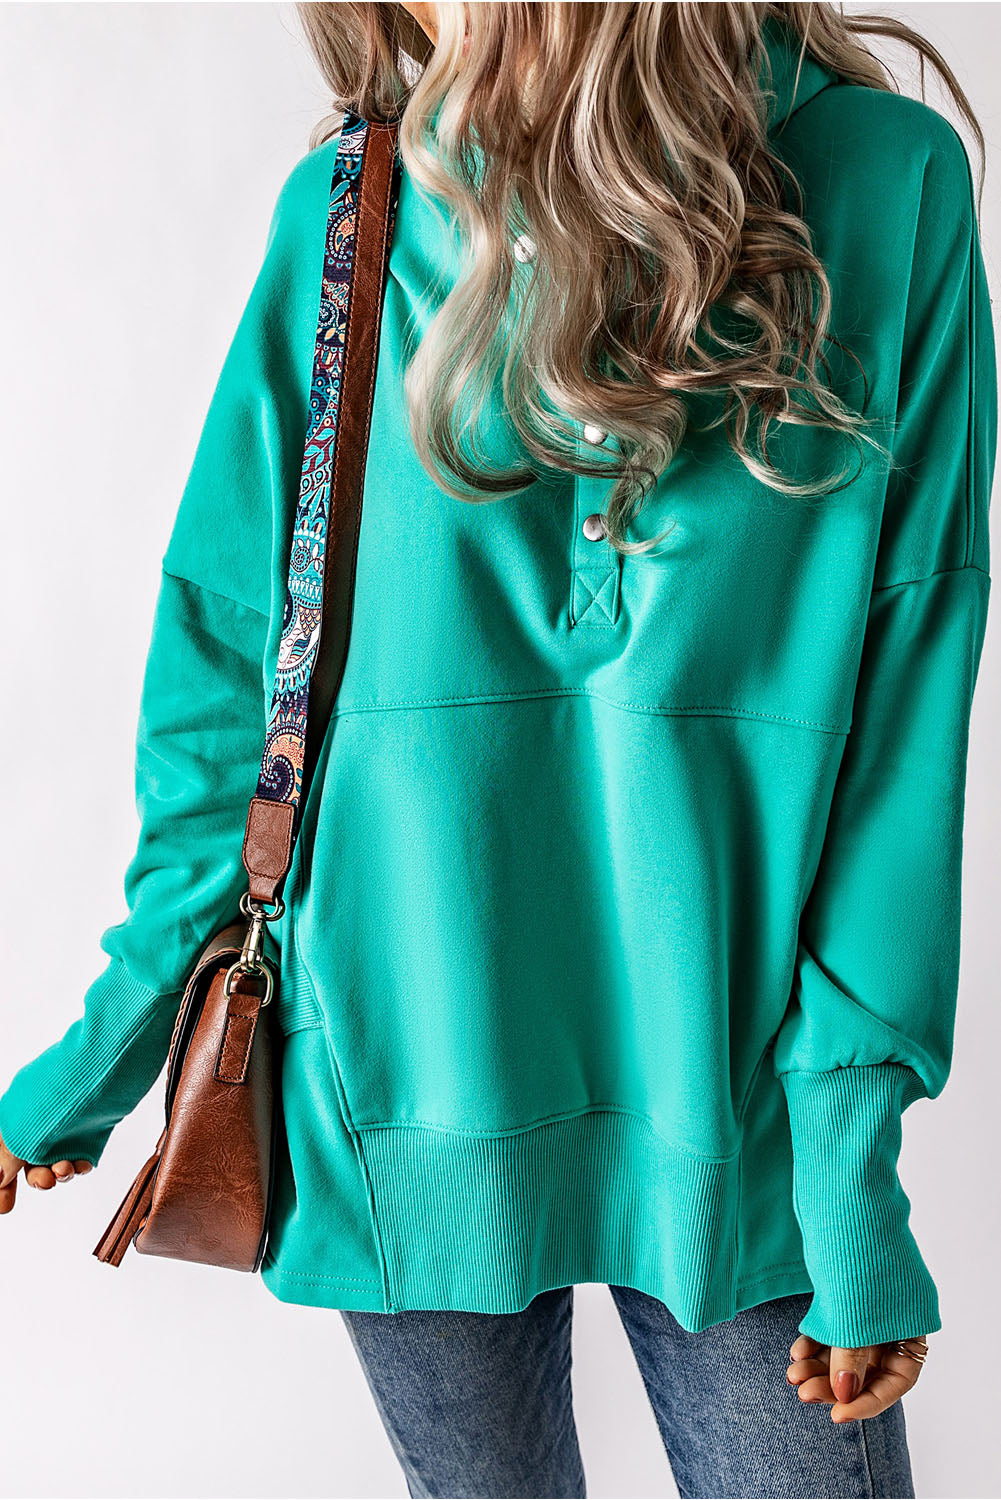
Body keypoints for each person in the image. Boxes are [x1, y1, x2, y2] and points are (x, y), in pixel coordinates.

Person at [0, 4, 994, 1496]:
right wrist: (105, 1044)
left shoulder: (886, 180)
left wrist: (850, 1174)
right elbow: (228, 665)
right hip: (397, 1069)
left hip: (741, 1118)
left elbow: (905, 722)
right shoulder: (352, 209)